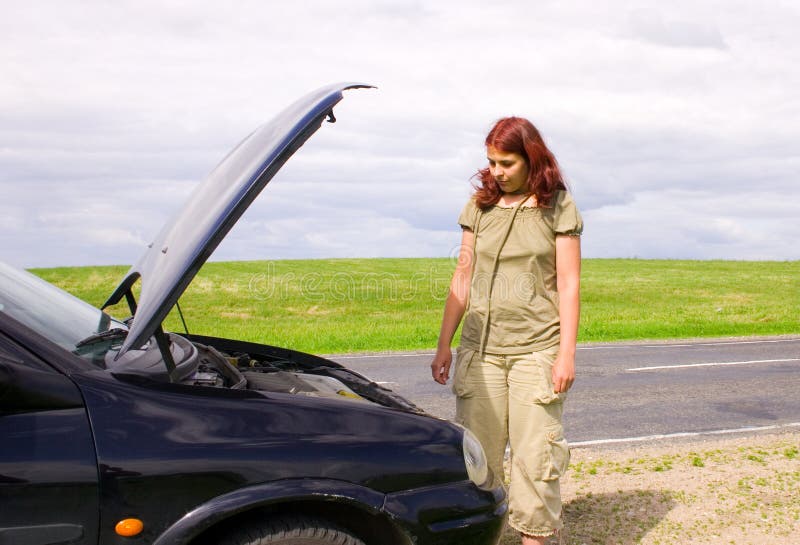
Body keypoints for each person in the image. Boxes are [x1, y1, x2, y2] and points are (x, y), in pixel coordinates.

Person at [430, 116, 582, 544]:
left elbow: (569, 284)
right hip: (481, 352)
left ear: (530, 158)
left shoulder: (558, 206)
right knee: (480, 463)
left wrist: (565, 353)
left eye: (506, 162)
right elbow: (463, 276)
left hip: (537, 350)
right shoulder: (479, 207)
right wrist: (445, 343)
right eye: (491, 162)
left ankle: (533, 536)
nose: (496, 171)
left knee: (536, 460)